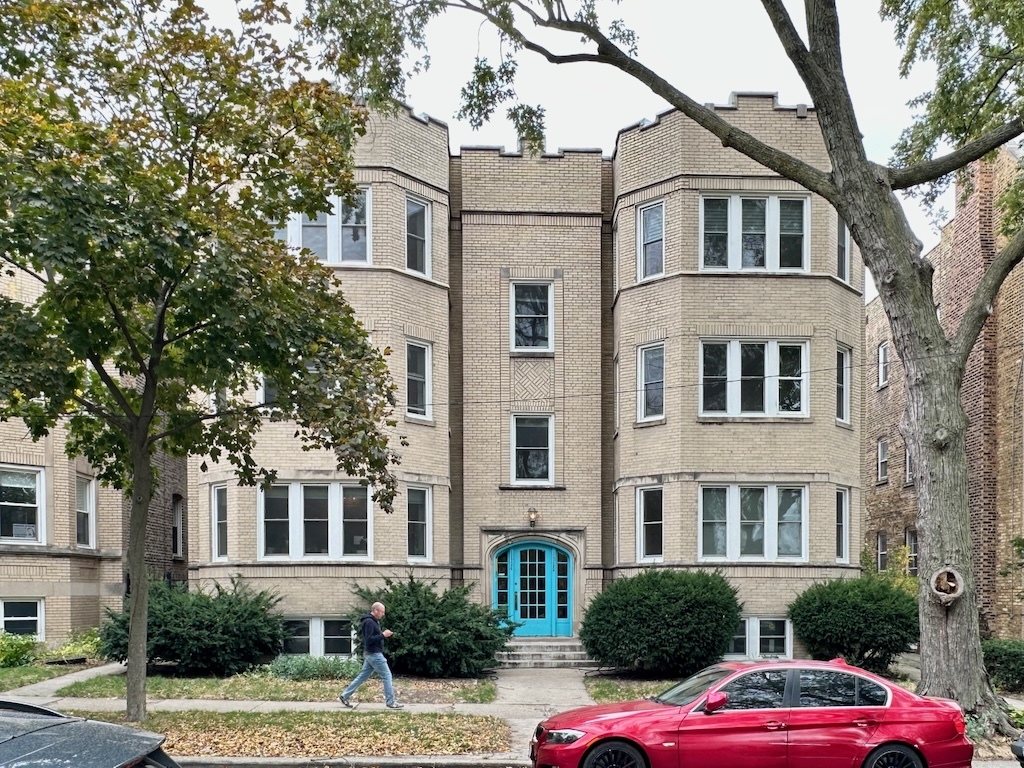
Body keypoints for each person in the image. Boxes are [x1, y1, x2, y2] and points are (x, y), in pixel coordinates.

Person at [338, 601, 403, 709]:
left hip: (371, 654)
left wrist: (382, 635)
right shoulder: (369, 622)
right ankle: (391, 702)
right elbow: (369, 640)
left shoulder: (372, 621)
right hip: (374, 654)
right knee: (387, 676)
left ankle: (344, 696)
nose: (383, 614)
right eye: (382, 612)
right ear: (375, 611)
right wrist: (383, 635)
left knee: (362, 676)